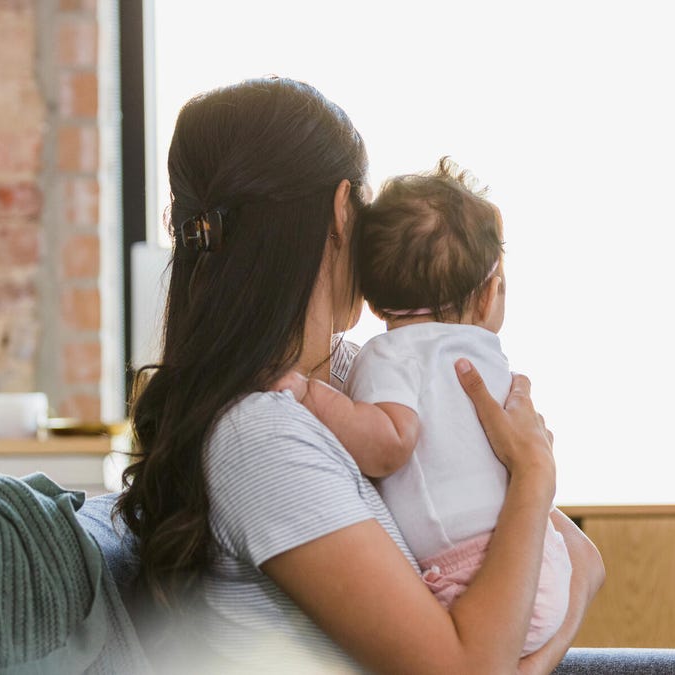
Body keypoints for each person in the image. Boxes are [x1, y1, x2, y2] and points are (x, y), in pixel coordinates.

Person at [116, 77, 604, 674]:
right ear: (344, 211)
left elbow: (580, 556)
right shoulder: (262, 435)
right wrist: (532, 475)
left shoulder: (350, 374)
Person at [274, 158, 572, 656]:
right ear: (487, 295)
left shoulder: (393, 354)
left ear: (372, 302)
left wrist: (308, 395)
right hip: (538, 559)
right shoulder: (484, 354)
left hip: (472, 574)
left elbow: (387, 444)